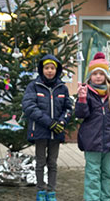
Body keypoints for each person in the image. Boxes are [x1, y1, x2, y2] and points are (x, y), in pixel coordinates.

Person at [75, 52, 110, 201]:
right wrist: (82, 99)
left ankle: (106, 198)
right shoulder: (86, 92)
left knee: (107, 173)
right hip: (91, 140)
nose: (98, 76)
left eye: (101, 73)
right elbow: (81, 114)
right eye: (94, 73)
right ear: (90, 76)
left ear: (106, 76)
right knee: (92, 173)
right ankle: (92, 198)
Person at [22, 54, 73, 201]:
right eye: (46, 68)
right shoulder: (34, 86)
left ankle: (51, 191)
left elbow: (68, 108)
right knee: (40, 162)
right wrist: (49, 123)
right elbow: (29, 107)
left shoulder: (62, 88)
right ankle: (40, 191)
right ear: (41, 69)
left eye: (52, 68)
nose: (49, 71)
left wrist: (62, 121)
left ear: (57, 70)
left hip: (56, 133)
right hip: (40, 131)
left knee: (52, 162)